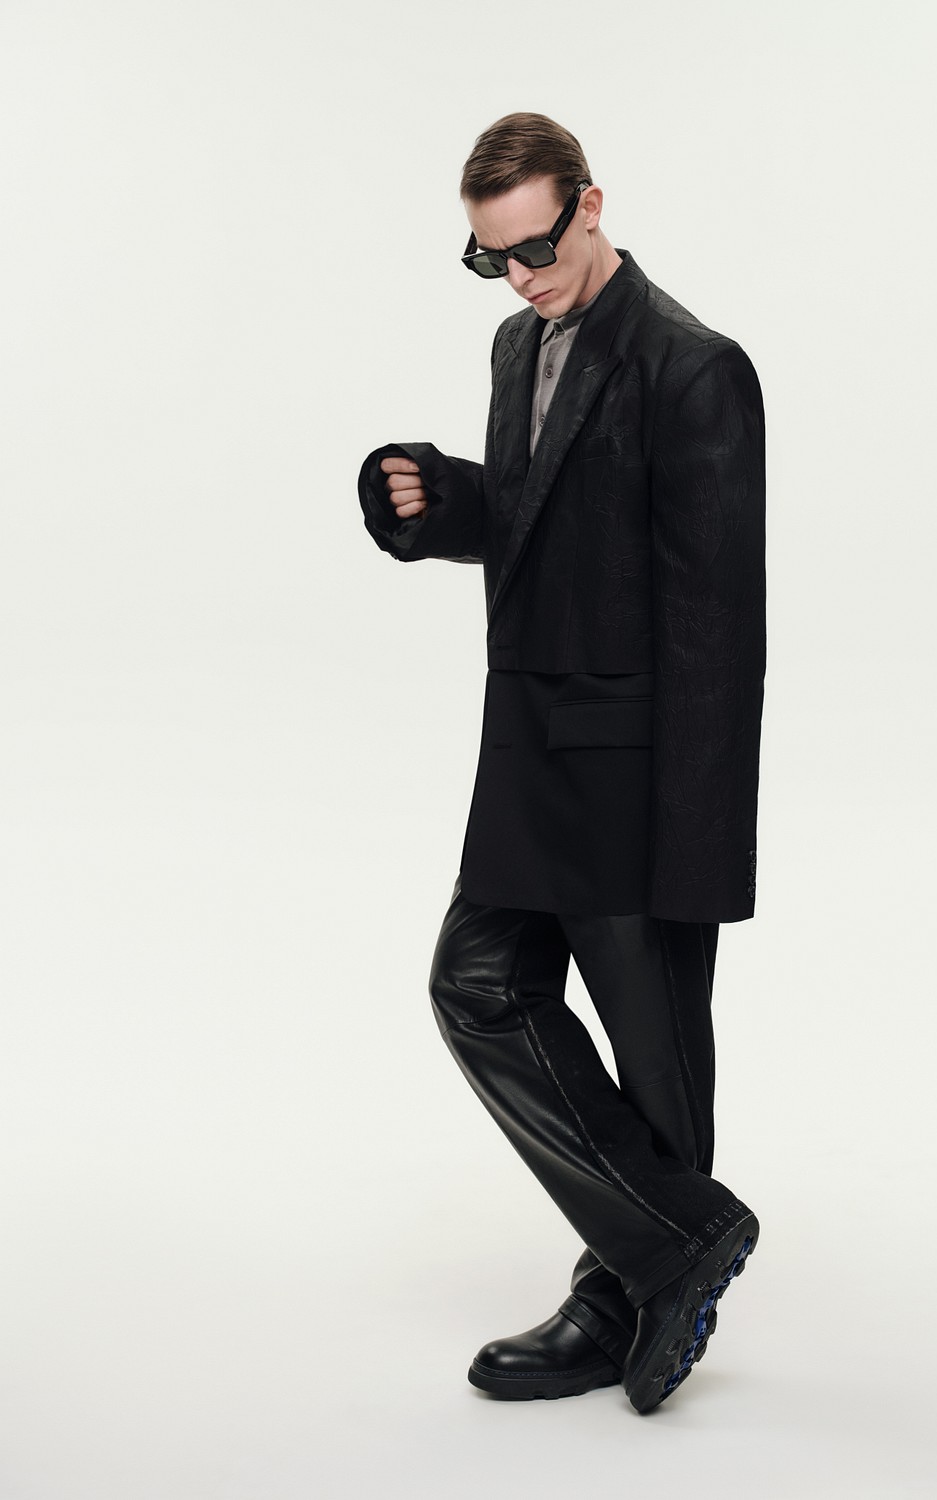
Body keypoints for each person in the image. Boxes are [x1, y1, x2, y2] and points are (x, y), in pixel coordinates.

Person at [357, 112, 766, 1414]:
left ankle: (624, 1288)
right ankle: (671, 1242)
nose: (519, 277)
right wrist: (445, 502)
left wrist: (698, 848)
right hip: (530, 753)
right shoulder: (516, 343)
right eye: (491, 259)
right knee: (477, 985)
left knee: (656, 1059)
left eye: (535, 247)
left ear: (591, 204)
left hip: (640, 779)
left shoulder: (692, 368)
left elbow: (718, 629)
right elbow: (549, 526)